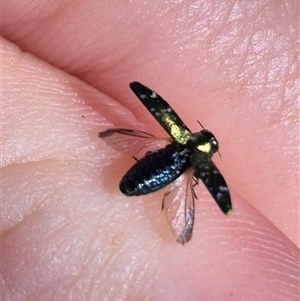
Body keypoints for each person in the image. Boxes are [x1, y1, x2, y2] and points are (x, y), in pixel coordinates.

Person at [1, 1, 299, 300]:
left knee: (150, 148)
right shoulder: (196, 160)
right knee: (178, 178)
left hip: (150, 163)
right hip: (157, 171)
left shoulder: (180, 137)